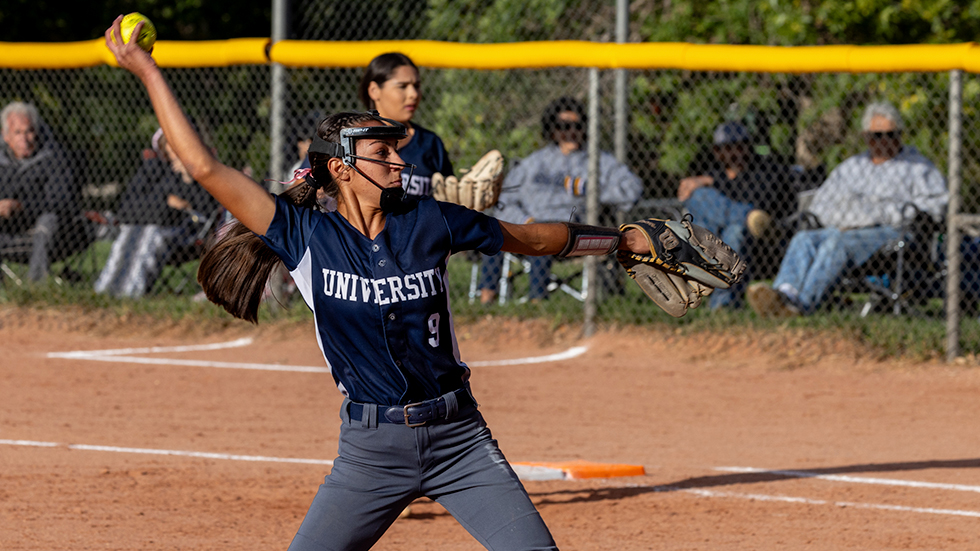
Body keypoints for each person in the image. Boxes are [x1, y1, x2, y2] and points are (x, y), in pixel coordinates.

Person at [105, 17, 656, 551]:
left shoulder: (430, 220)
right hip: (370, 451)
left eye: (396, 150)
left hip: (459, 439)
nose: (399, 161)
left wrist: (620, 241)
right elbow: (203, 167)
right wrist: (149, 72)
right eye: (381, 154)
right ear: (341, 170)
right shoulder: (303, 235)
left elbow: (532, 238)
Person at [747, 101, 948, 318]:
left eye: (891, 134)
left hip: (890, 231)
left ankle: (800, 306)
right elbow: (822, 205)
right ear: (866, 137)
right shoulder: (852, 167)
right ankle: (783, 295)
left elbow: (936, 207)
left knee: (837, 243)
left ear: (900, 134)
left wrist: (884, 214)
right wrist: (843, 218)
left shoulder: (918, 167)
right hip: (841, 227)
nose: (885, 141)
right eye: (877, 136)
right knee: (804, 239)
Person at [477, 96, 643, 304]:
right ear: (552, 129)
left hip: (572, 230)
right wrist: (525, 221)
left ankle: (537, 304)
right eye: (563, 126)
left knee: (544, 234)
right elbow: (503, 200)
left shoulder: (599, 161)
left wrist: (589, 189)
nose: (571, 132)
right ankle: (486, 304)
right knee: (496, 229)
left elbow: (633, 190)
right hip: (528, 224)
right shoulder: (533, 163)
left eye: (577, 125)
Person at [676, 121, 794, 309]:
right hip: (707, 241)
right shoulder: (711, 177)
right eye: (728, 148)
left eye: (740, 147)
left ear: (748, 147)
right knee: (698, 196)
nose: (735, 153)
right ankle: (745, 216)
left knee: (735, 230)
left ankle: (723, 305)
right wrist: (710, 181)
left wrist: (711, 181)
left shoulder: (764, 172)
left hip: (755, 246)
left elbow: (761, 199)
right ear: (717, 152)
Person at [94, 127, 220, 298]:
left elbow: (205, 210)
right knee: (130, 233)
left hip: (187, 234)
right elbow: (126, 207)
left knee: (153, 234)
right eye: (169, 151)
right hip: (149, 224)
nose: (173, 156)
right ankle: (108, 288)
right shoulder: (155, 170)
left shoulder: (206, 173)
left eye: (177, 151)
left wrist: (188, 175)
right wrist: (166, 202)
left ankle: (130, 291)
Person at [0, 101, 77, 282]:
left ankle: (36, 288)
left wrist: (21, 206)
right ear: (5, 136)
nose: (24, 139)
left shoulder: (53, 157)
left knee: (47, 220)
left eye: (29, 131)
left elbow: (61, 201)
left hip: (50, 235)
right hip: (9, 232)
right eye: (17, 133)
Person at [358, 52, 453, 197]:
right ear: (374, 90)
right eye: (402, 86)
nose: (413, 94)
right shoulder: (348, 138)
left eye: (417, 86)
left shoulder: (430, 143)